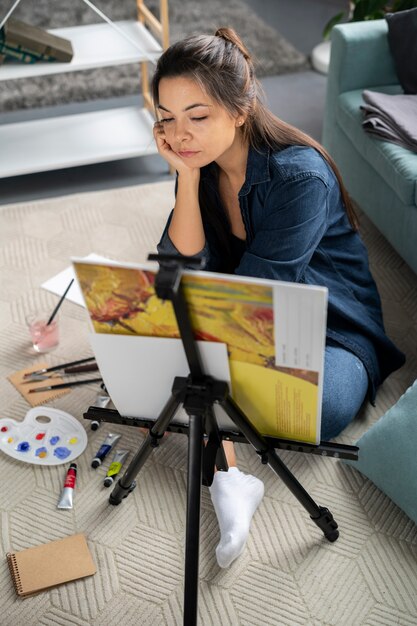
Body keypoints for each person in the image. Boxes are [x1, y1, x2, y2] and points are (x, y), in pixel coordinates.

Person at [152, 27, 405, 568]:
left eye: (197, 116)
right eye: (166, 118)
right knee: (169, 347)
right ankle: (231, 478)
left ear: (240, 109)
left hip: (329, 329)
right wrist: (188, 181)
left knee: (311, 413)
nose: (180, 135)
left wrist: (193, 338)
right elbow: (177, 267)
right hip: (242, 308)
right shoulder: (197, 162)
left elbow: (256, 302)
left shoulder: (299, 177)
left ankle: (225, 464)